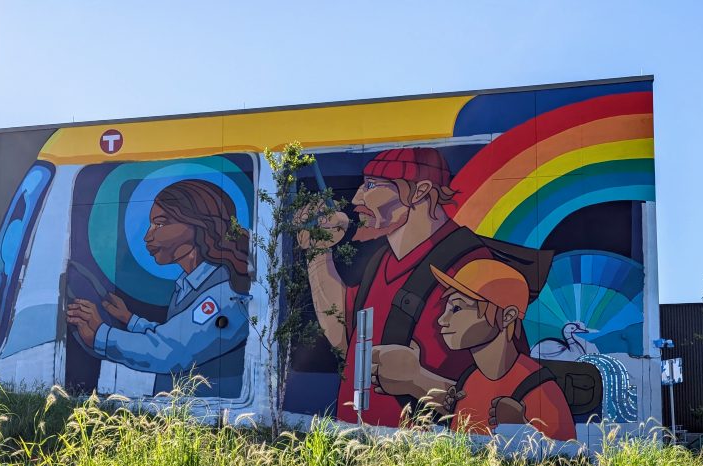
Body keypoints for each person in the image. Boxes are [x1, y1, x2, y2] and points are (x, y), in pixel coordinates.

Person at [301, 147, 503, 426]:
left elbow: (501, 396)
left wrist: (419, 381)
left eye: (372, 185)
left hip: (427, 458)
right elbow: (344, 336)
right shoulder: (383, 259)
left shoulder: (470, 269)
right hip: (361, 446)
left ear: (419, 191)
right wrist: (318, 252)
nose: (358, 197)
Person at [66, 179, 251, 398]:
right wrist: (130, 319)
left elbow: (169, 351)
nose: (147, 236)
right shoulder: (191, 282)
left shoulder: (223, 294)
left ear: (196, 225)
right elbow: (180, 332)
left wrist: (101, 336)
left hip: (211, 417)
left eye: (160, 224)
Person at [369, 260, 576, 441]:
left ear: (507, 316)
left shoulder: (538, 387)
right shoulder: (471, 379)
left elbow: (569, 459)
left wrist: (521, 427)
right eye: (447, 308)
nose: (442, 320)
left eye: (457, 309)